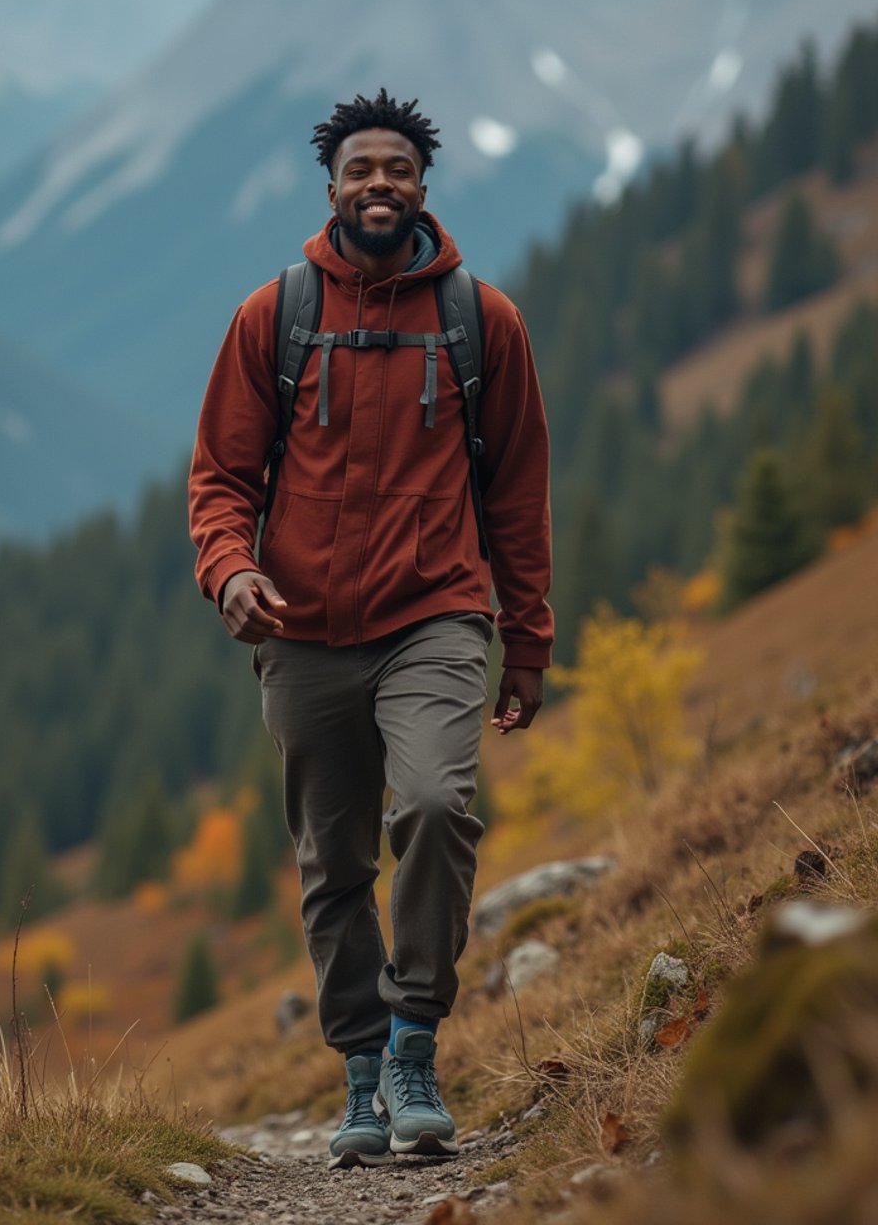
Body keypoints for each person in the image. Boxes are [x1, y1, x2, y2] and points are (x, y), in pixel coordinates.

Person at [189, 89, 553, 1168]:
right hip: (298, 630)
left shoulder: (481, 322)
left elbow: (519, 494)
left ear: (423, 188)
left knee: (438, 804)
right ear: (333, 188)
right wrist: (231, 572)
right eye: (361, 169)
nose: (380, 183)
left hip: (434, 617)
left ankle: (411, 1042)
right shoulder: (277, 316)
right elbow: (220, 476)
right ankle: (356, 1067)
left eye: (397, 167)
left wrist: (522, 641)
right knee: (331, 859)